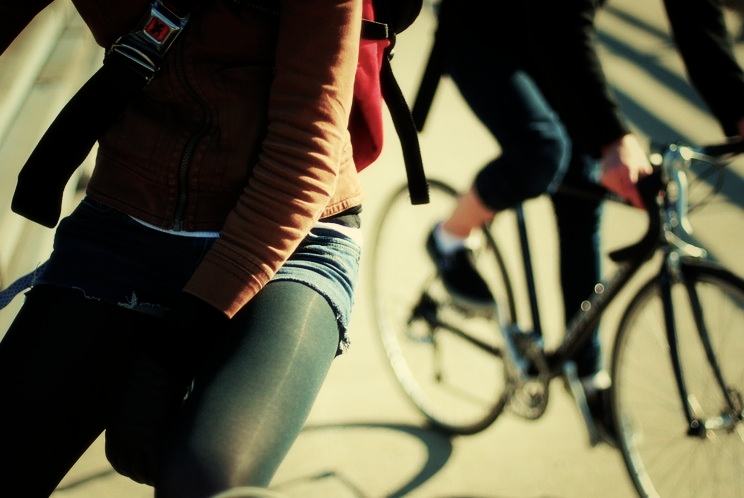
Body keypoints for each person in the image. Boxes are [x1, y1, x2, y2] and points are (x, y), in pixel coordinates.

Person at [0, 0, 379, 496]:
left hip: (291, 236)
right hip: (125, 223)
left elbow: (303, 151)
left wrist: (168, 358)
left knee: (204, 483)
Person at [423, 0, 744, 441]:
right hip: (483, 29)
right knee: (542, 151)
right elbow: (560, 17)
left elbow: (697, 13)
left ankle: (589, 376)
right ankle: (448, 237)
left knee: (581, 195)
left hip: (549, 39)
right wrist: (613, 138)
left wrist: (737, 109)